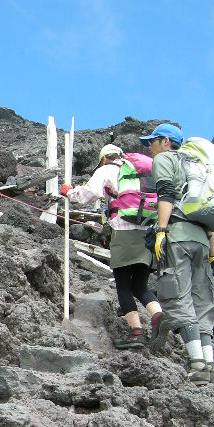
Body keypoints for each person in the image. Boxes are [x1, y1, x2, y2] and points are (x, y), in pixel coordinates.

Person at [142, 123, 214, 384]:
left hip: (178, 236)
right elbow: (206, 215)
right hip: (202, 241)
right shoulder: (198, 166)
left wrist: (161, 230)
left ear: (166, 142)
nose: (150, 146)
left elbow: (166, 194)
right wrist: (213, 254)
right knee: (202, 300)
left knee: (177, 296)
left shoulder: (167, 160)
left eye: (153, 141)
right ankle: (210, 366)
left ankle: (196, 364)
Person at [61, 143, 164, 349]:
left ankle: (136, 333)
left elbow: (87, 195)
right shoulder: (139, 172)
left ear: (103, 158)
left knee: (123, 286)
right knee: (141, 287)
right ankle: (159, 315)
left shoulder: (107, 169)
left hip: (124, 234)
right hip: (148, 234)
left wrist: (69, 192)